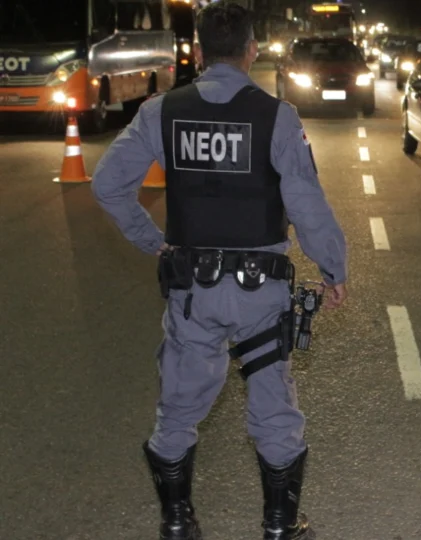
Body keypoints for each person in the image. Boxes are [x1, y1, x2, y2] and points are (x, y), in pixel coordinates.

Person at [91, 3, 347, 539]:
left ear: (200, 53)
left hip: (192, 291)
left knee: (178, 409)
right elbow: (306, 204)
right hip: (261, 294)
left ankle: (178, 523)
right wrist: (332, 268)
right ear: (252, 50)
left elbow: (109, 185)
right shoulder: (277, 117)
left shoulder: (163, 111)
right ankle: (280, 527)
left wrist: (151, 241)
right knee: (273, 406)